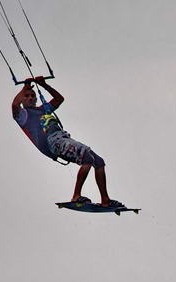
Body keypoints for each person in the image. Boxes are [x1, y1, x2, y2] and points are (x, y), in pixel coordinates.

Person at [11, 76, 117, 207]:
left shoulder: (43, 109)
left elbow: (59, 99)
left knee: (99, 162)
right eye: (26, 96)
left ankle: (105, 200)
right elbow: (15, 105)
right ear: (22, 99)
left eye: (32, 95)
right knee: (87, 158)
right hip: (53, 143)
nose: (30, 98)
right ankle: (76, 196)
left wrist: (44, 85)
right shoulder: (23, 115)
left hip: (64, 138)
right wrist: (24, 88)